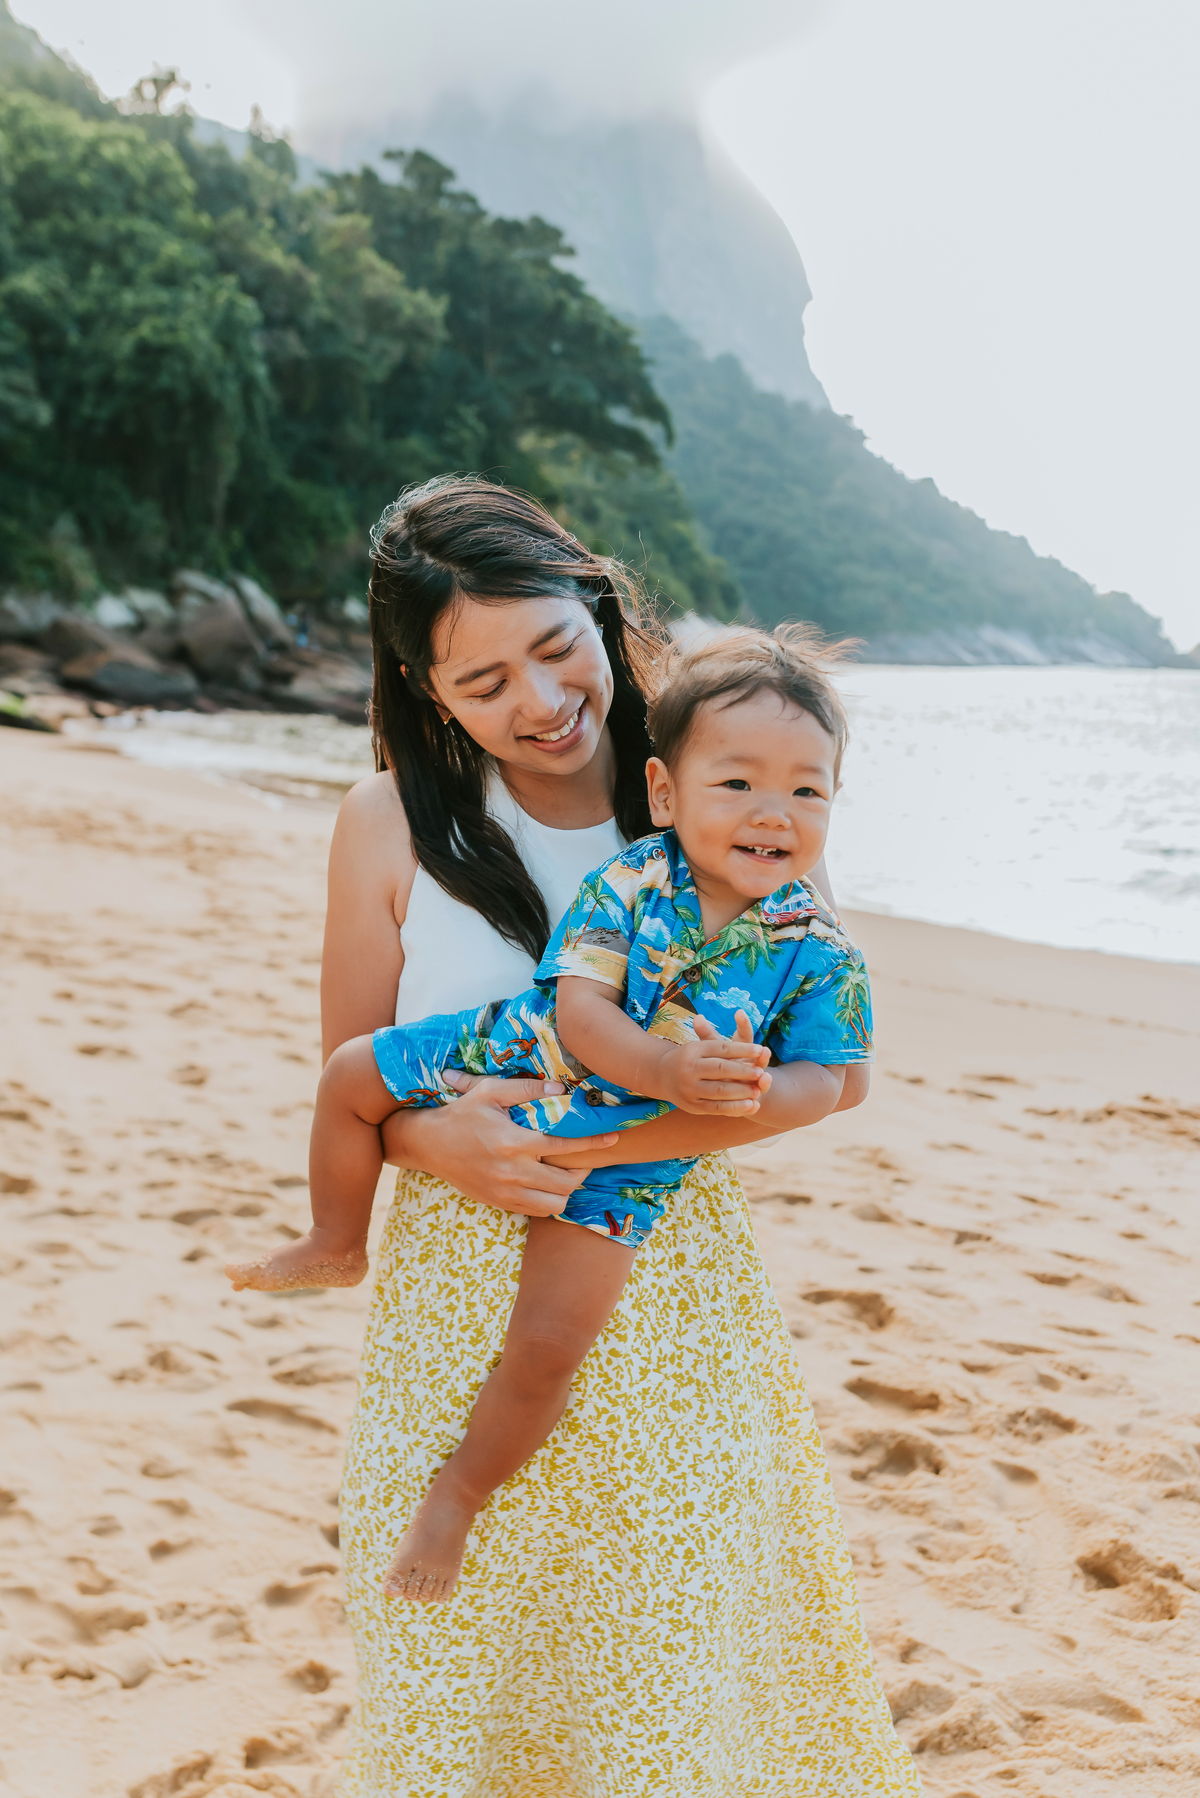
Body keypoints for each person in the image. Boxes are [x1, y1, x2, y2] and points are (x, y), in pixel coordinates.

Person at [311, 477, 919, 1795]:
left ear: (597, 608)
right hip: (453, 1302)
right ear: (424, 689)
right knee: (455, 1672)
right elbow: (356, 1074)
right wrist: (442, 1146)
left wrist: (615, 1135)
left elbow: (832, 1069)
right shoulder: (385, 823)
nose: (539, 700)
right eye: (484, 681)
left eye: (554, 646)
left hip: (664, 1283)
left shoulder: (719, 785)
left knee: (660, 1680)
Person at [226, 629, 876, 1614]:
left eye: (806, 791)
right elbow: (579, 1009)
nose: (771, 813)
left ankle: (459, 1496)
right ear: (666, 793)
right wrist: (666, 1068)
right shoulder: (634, 877)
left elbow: (832, 1083)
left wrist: (739, 1095)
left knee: (545, 1347)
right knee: (352, 1073)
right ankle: (334, 1237)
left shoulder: (820, 949)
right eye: (738, 783)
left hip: (633, 1166)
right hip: (518, 1045)